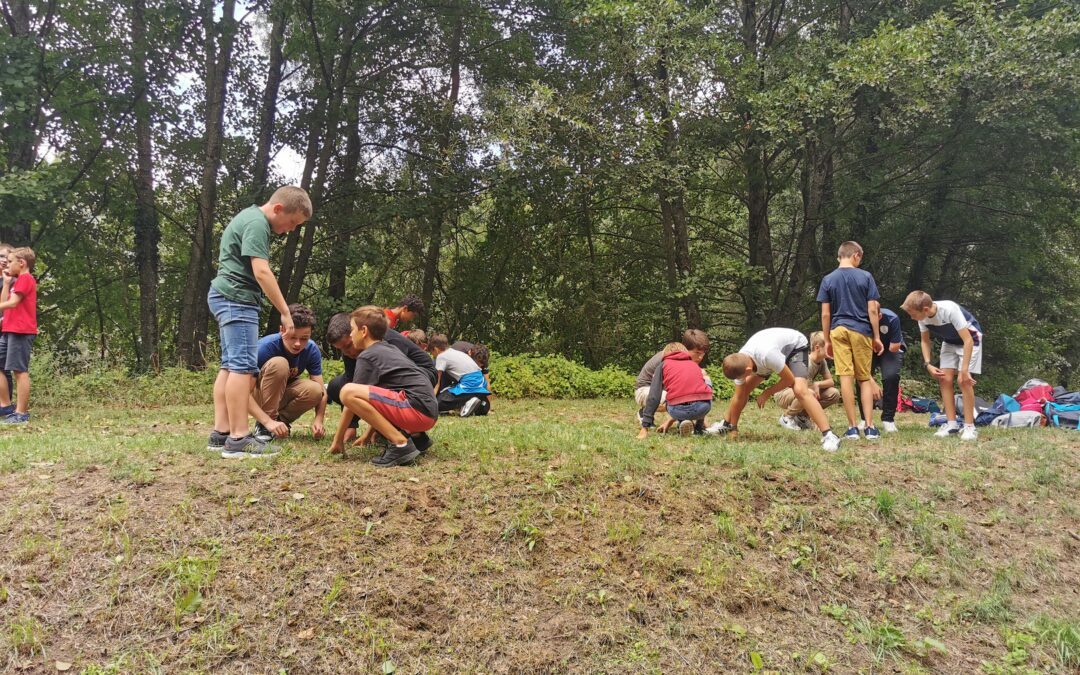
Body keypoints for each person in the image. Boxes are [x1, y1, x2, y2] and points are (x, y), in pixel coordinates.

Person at [207, 186, 312, 458]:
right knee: (242, 368)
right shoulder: (257, 224)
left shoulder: (249, 218)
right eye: (292, 222)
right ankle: (239, 437)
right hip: (237, 298)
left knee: (230, 366)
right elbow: (262, 271)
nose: (290, 229)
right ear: (278, 208)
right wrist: (285, 312)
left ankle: (221, 432)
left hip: (226, 296)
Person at [329, 306, 438, 467]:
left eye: (352, 330)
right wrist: (367, 435)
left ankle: (400, 443)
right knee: (371, 392)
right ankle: (417, 438)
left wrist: (337, 441)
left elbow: (350, 403)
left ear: (363, 331)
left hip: (416, 408)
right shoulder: (387, 348)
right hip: (427, 411)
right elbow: (379, 400)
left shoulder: (367, 356)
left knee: (347, 392)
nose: (351, 335)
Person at [709, 328, 842, 452]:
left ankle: (829, 435)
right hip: (763, 356)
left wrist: (767, 392)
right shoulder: (739, 361)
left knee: (800, 390)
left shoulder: (769, 356)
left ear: (748, 371)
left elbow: (789, 380)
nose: (741, 380)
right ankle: (727, 425)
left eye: (743, 377)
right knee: (742, 391)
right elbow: (738, 397)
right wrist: (734, 427)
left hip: (795, 345)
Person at [817, 241, 884, 441]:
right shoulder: (866, 276)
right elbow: (872, 309)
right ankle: (870, 427)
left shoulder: (828, 279)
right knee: (864, 378)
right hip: (861, 330)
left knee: (846, 377)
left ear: (840, 256)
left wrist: (827, 339)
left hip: (838, 330)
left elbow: (825, 315)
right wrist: (877, 337)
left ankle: (852, 428)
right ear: (856, 255)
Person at [901, 291, 983, 441]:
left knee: (963, 381)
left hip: (971, 339)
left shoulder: (950, 309)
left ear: (925, 309)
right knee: (944, 379)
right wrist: (928, 364)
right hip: (950, 341)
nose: (911, 317)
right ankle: (951, 425)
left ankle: (970, 427)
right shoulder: (923, 318)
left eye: (912, 314)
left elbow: (968, 341)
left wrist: (964, 370)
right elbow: (925, 341)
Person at [249, 303, 326, 442]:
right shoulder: (264, 348)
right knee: (280, 363)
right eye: (292, 337)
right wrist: (266, 420)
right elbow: (242, 393)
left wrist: (319, 419)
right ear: (282, 330)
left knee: (315, 390)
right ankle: (264, 425)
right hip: (258, 395)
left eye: (304, 338)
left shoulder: (311, 349)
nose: (298, 344)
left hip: (283, 394)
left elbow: (322, 392)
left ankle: (280, 423)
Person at [634, 329, 710, 428]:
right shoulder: (667, 358)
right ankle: (644, 414)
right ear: (686, 349)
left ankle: (686, 421)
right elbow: (658, 391)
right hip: (645, 390)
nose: (700, 357)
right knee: (679, 397)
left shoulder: (686, 362)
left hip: (663, 390)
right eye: (697, 352)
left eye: (703, 354)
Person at [0, 247, 38, 424]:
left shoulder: (25, 279)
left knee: (19, 371)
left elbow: (13, 303)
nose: (7, 264)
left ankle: (21, 413)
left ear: (21, 263)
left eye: (10, 261)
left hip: (21, 331)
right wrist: (6, 283)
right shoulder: (16, 281)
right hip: (9, 329)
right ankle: (6, 406)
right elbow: (4, 302)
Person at [775, 331, 840, 431]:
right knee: (809, 393)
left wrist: (817, 384)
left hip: (802, 392)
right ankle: (787, 417)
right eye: (829, 346)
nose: (833, 349)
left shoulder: (822, 361)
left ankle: (801, 417)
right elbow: (805, 392)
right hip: (783, 393)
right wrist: (817, 421)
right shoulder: (807, 363)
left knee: (834, 393)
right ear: (817, 347)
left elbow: (831, 382)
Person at [427, 334, 491, 417]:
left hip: (469, 384)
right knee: (484, 408)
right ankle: (472, 402)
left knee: (439, 402)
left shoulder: (441, 357)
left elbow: (437, 383)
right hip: (480, 383)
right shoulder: (456, 352)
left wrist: (431, 402)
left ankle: (467, 402)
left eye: (432, 353)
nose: (433, 356)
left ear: (435, 349)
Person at [867, 308, 906, 433]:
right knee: (862, 378)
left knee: (891, 376)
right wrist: (871, 381)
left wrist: (881, 348)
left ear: (880, 315)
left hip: (890, 349)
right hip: (868, 349)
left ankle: (888, 419)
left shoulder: (892, 318)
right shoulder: (860, 318)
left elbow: (895, 346)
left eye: (874, 316)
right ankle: (865, 419)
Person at [0, 242, 15, 399]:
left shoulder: (13, 281)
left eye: (7, 258)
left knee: (3, 367)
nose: (4, 260)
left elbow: (8, 307)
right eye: (1, 256)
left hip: (5, 326)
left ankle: (6, 403)